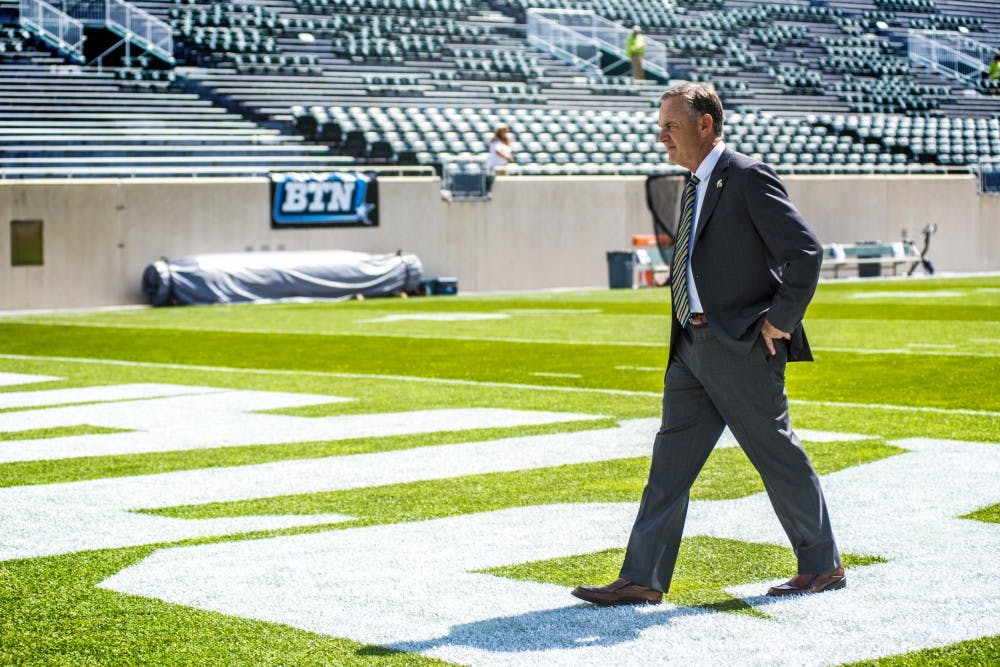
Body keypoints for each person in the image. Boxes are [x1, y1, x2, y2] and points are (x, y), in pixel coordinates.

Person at [572, 82, 843, 607]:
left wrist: (777, 323)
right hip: (690, 345)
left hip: (740, 345)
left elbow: (805, 252)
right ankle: (643, 577)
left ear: (705, 124)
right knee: (668, 464)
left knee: (775, 456)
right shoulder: (693, 183)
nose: (662, 137)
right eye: (660, 127)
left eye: (670, 126)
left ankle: (821, 565)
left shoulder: (745, 176)